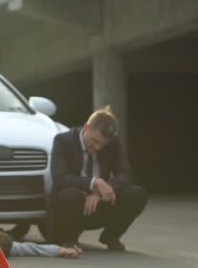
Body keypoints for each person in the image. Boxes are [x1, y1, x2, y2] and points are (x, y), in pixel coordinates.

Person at [50, 106, 147, 251]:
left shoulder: (113, 143)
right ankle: (68, 241)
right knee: (69, 195)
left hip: (99, 204)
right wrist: (95, 182)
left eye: (103, 144)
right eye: (95, 141)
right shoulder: (63, 141)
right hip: (73, 206)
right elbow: (60, 178)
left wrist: (101, 192)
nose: (98, 147)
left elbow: (125, 174)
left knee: (137, 194)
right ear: (87, 127)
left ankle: (111, 236)